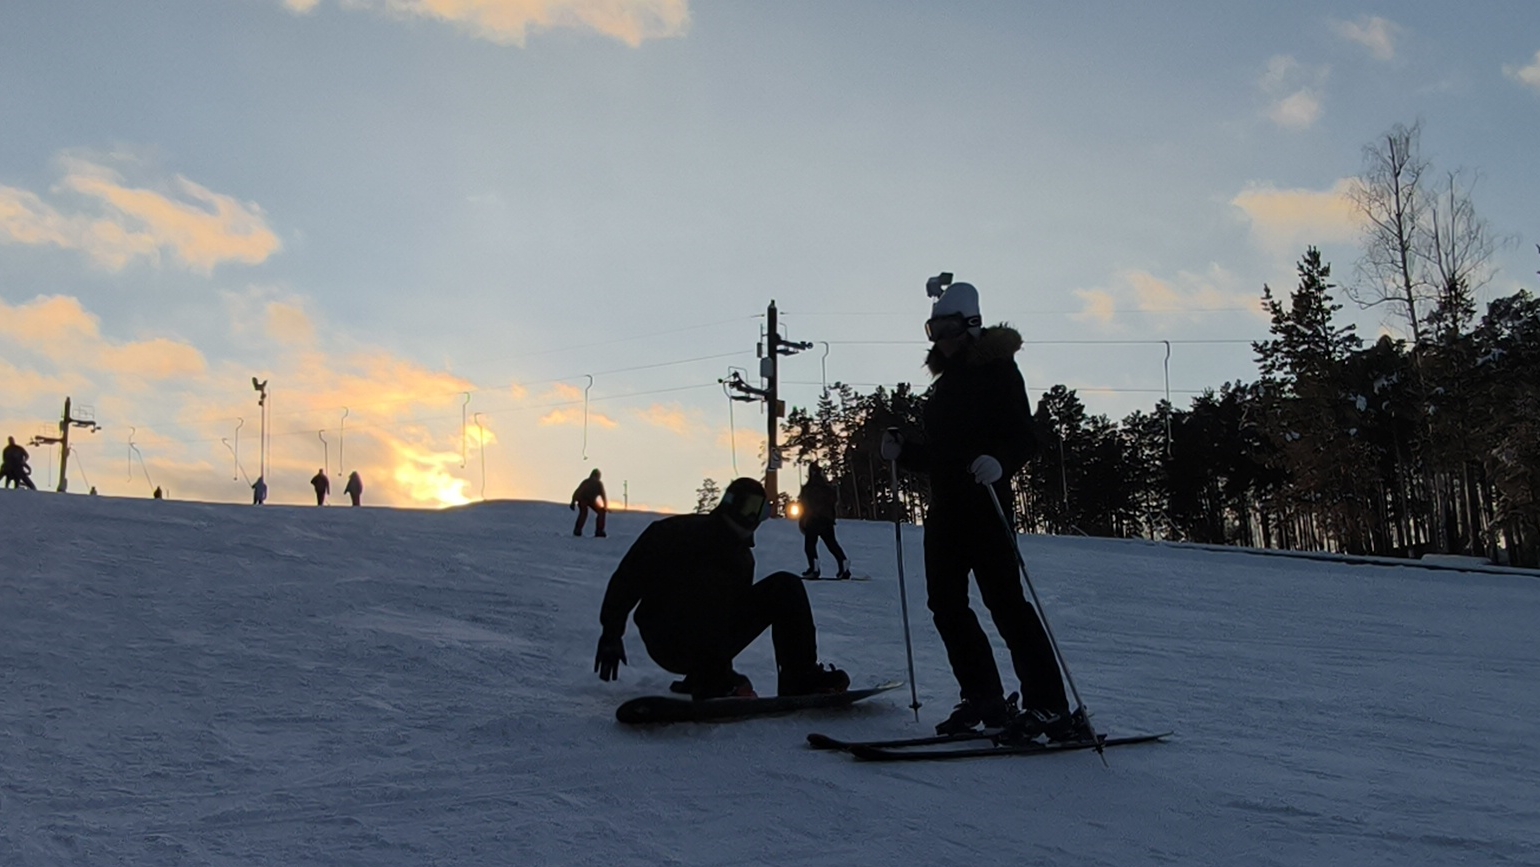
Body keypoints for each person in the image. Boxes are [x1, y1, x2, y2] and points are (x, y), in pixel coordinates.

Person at [881, 278, 1084, 740]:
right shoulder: (946, 383)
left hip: (986, 506)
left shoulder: (999, 371)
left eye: (948, 328)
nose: (941, 339)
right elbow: (942, 456)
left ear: (971, 324)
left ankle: (1050, 705)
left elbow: (1024, 436)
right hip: (946, 509)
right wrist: (905, 452)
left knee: (1006, 603)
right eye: (933, 330)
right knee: (945, 604)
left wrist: (1001, 462)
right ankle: (983, 696)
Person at [594, 477, 850, 700]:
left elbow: (727, 619)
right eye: (751, 508)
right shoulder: (675, 534)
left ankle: (799, 677)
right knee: (712, 586)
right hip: (667, 640)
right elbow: (628, 579)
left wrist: (715, 670)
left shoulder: (740, 557)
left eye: (760, 511)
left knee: (785, 587)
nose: (754, 518)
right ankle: (710, 676)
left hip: (690, 644)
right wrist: (611, 633)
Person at [797, 463, 850, 580]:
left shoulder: (808, 489)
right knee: (832, 544)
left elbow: (805, 505)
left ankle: (814, 568)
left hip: (813, 520)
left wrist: (803, 520)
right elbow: (834, 502)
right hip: (827, 520)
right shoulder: (828, 488)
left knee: (810, 546)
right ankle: (843, 563)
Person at [570, 468, 607, 538]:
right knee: (585, 512)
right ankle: (598, 531)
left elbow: (577, 491)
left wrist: (573, 502)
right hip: (584, 500)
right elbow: (603, 496)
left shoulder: (587, 482)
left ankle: (579, 530)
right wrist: (605, 507)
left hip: (589, 500)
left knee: (587, 512)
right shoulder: (596, 483)